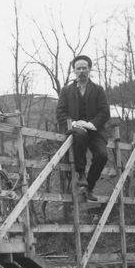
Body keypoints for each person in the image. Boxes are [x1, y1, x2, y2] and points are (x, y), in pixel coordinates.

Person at [55, 55, 110, 202]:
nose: (81, 71)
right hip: (76, 129)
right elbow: (60, 112)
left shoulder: (98, 90)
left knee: (102, 155)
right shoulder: (66, 91)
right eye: (78, 68)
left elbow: (105, 112)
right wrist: (72, 123)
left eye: (84, 68)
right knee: (79, 134)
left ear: (89, 69)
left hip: (94, 130)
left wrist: (91, 124)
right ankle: (81, 175)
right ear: (74, 71)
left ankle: (89, 187)